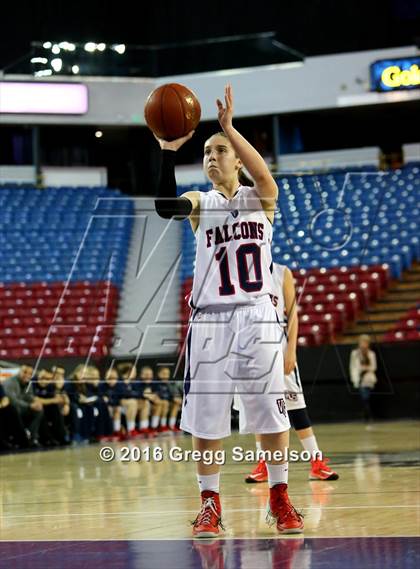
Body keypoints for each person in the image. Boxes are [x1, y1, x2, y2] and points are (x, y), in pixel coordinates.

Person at [154, 84, 303, 537]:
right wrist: (166, 150)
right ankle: (209, 503)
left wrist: (228, 130)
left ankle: (279, 496)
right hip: (211, 321)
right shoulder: (204, 202)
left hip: (258, 316)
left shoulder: (261, 200)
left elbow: (265, 177)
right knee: (206, 416)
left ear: (237, 158)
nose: (212, 157)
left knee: (271, 414)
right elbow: (165, 207)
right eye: (206, 153)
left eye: (220, 151)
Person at [242, 263, 339, 483]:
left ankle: (316, 461)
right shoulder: (241, 271)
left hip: (277, 343)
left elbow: (292, 314)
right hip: (249, 346)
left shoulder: (281, 272)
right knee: (259, 408)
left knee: (296, 407)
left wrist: (291, 350)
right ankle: (264, 463)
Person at [2, 364, 43, 447]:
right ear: (19, 371)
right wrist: (29, 405)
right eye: (25, 372)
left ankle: (32, 437)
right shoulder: (10, 382)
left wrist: (35, 402)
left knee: (39, 410)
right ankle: (21, 439)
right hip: (11, 410)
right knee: (14, 410)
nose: (27, 375)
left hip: (22, 408)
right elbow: (12, 401)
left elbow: (29, 396)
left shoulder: (28, 383)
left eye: (30, 373)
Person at [350, 334, 378, 423]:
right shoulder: (355, 354)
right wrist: (354, 379)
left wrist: (365, 368)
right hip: (360, 379)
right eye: (362, 342)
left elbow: (373, 367)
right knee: (364, 398)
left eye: (365, 342)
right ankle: (367, 416)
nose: (363, 344)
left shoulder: (371, 354)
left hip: (369, 379)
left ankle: (368, 416)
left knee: (367, 398)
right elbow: (353, 367)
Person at [156, 366, 183, 433]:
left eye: (167, 374)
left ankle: (171, 425)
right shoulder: (156, 384)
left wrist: (176, 398)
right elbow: (160, 395)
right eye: (164, 374)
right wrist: (172, 398)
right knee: (165, 403)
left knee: (176, 404)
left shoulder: (169, 384)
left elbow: (173, 394)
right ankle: (162, 426)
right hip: (158, 403)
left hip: (167, 402)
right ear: (159, 374)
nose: (166, 376)